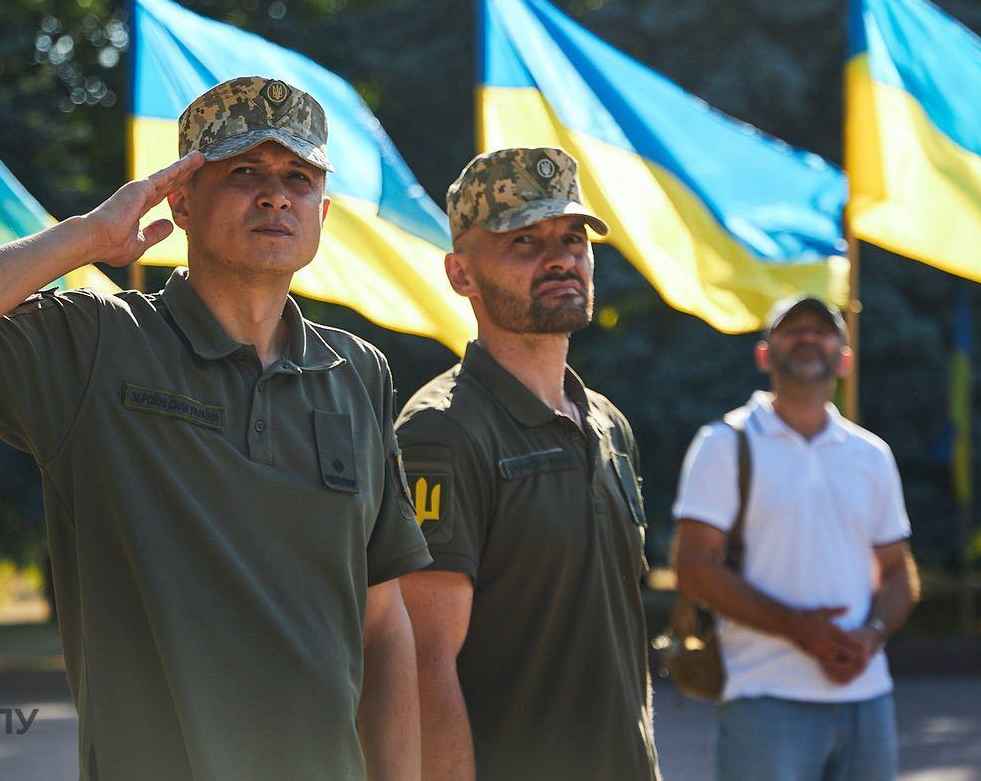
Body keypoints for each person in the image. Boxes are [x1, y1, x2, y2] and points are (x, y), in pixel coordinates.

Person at [0, 76, 429, 781]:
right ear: (179, 200)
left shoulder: (357, 371)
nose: (276, 194)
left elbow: (383, 623)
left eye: (299, 178)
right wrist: (86, 238)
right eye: (244, 171)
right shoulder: (98, 342)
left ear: (322, 210)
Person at [393, 147, 660, 781]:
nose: (562, 258)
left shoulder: (609, 424)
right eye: (524, 242)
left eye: (573, 238)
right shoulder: (442, 431)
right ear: (461, 275)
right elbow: (425, 667)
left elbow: (619, 638)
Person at [672, 294, 918, 781]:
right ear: (764, 354)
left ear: (845, 360)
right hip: (762, 697)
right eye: (792, 330)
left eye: (823, 331)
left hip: (867, 700)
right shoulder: (723, 443)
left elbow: (899, 573)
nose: (808, 337)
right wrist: (795, 626)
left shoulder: (872, 455)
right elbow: (694, 566)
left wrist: (870, 638)